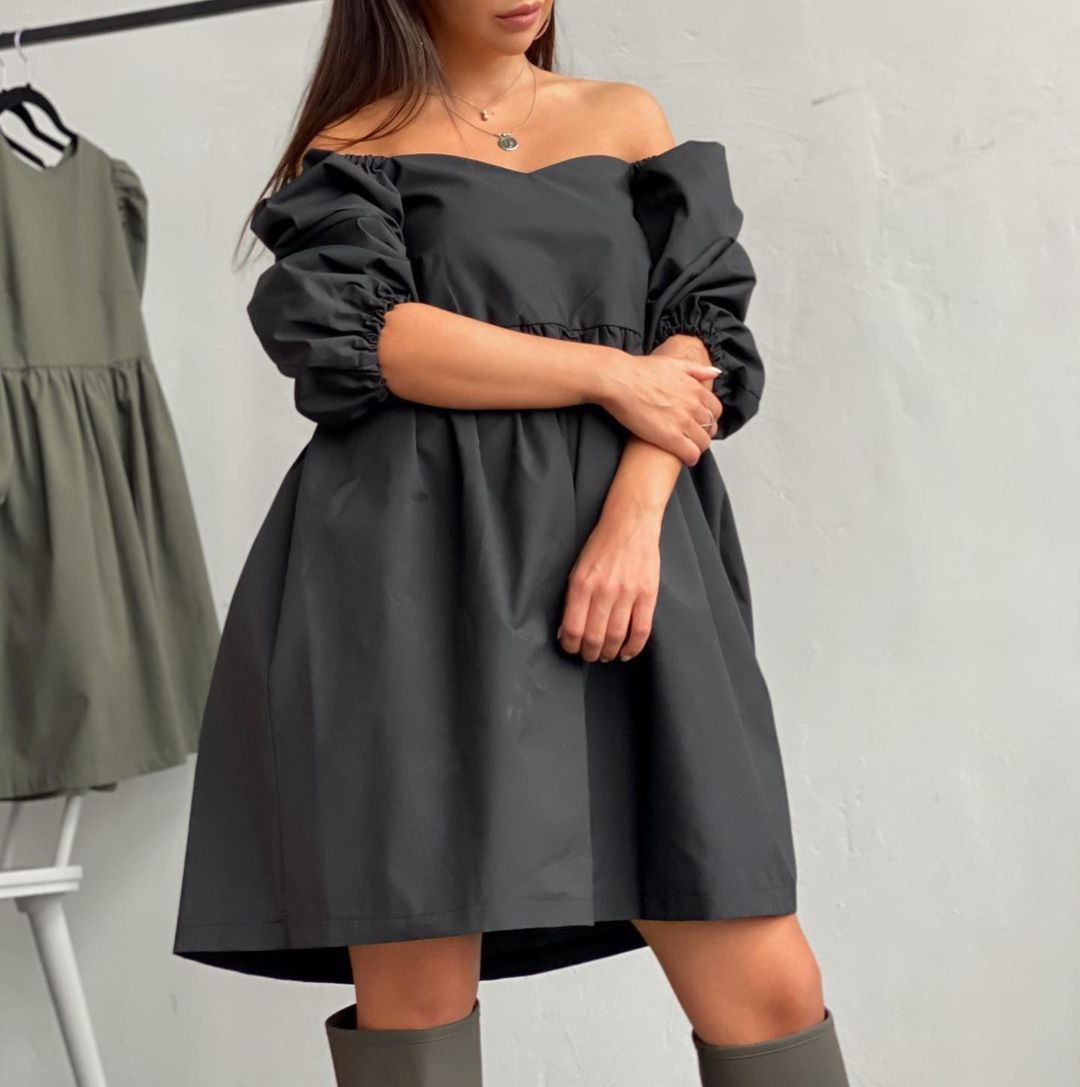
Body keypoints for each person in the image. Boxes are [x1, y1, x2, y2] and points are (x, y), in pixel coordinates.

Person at [172, 2, 852, 1084]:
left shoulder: (625, 119)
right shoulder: (353, 143)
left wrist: (635, 522)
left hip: (635, 560)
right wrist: (608, 373)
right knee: (417, 983)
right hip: (409, 575)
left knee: (763, 975)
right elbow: (374, 339)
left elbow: (702, 340)